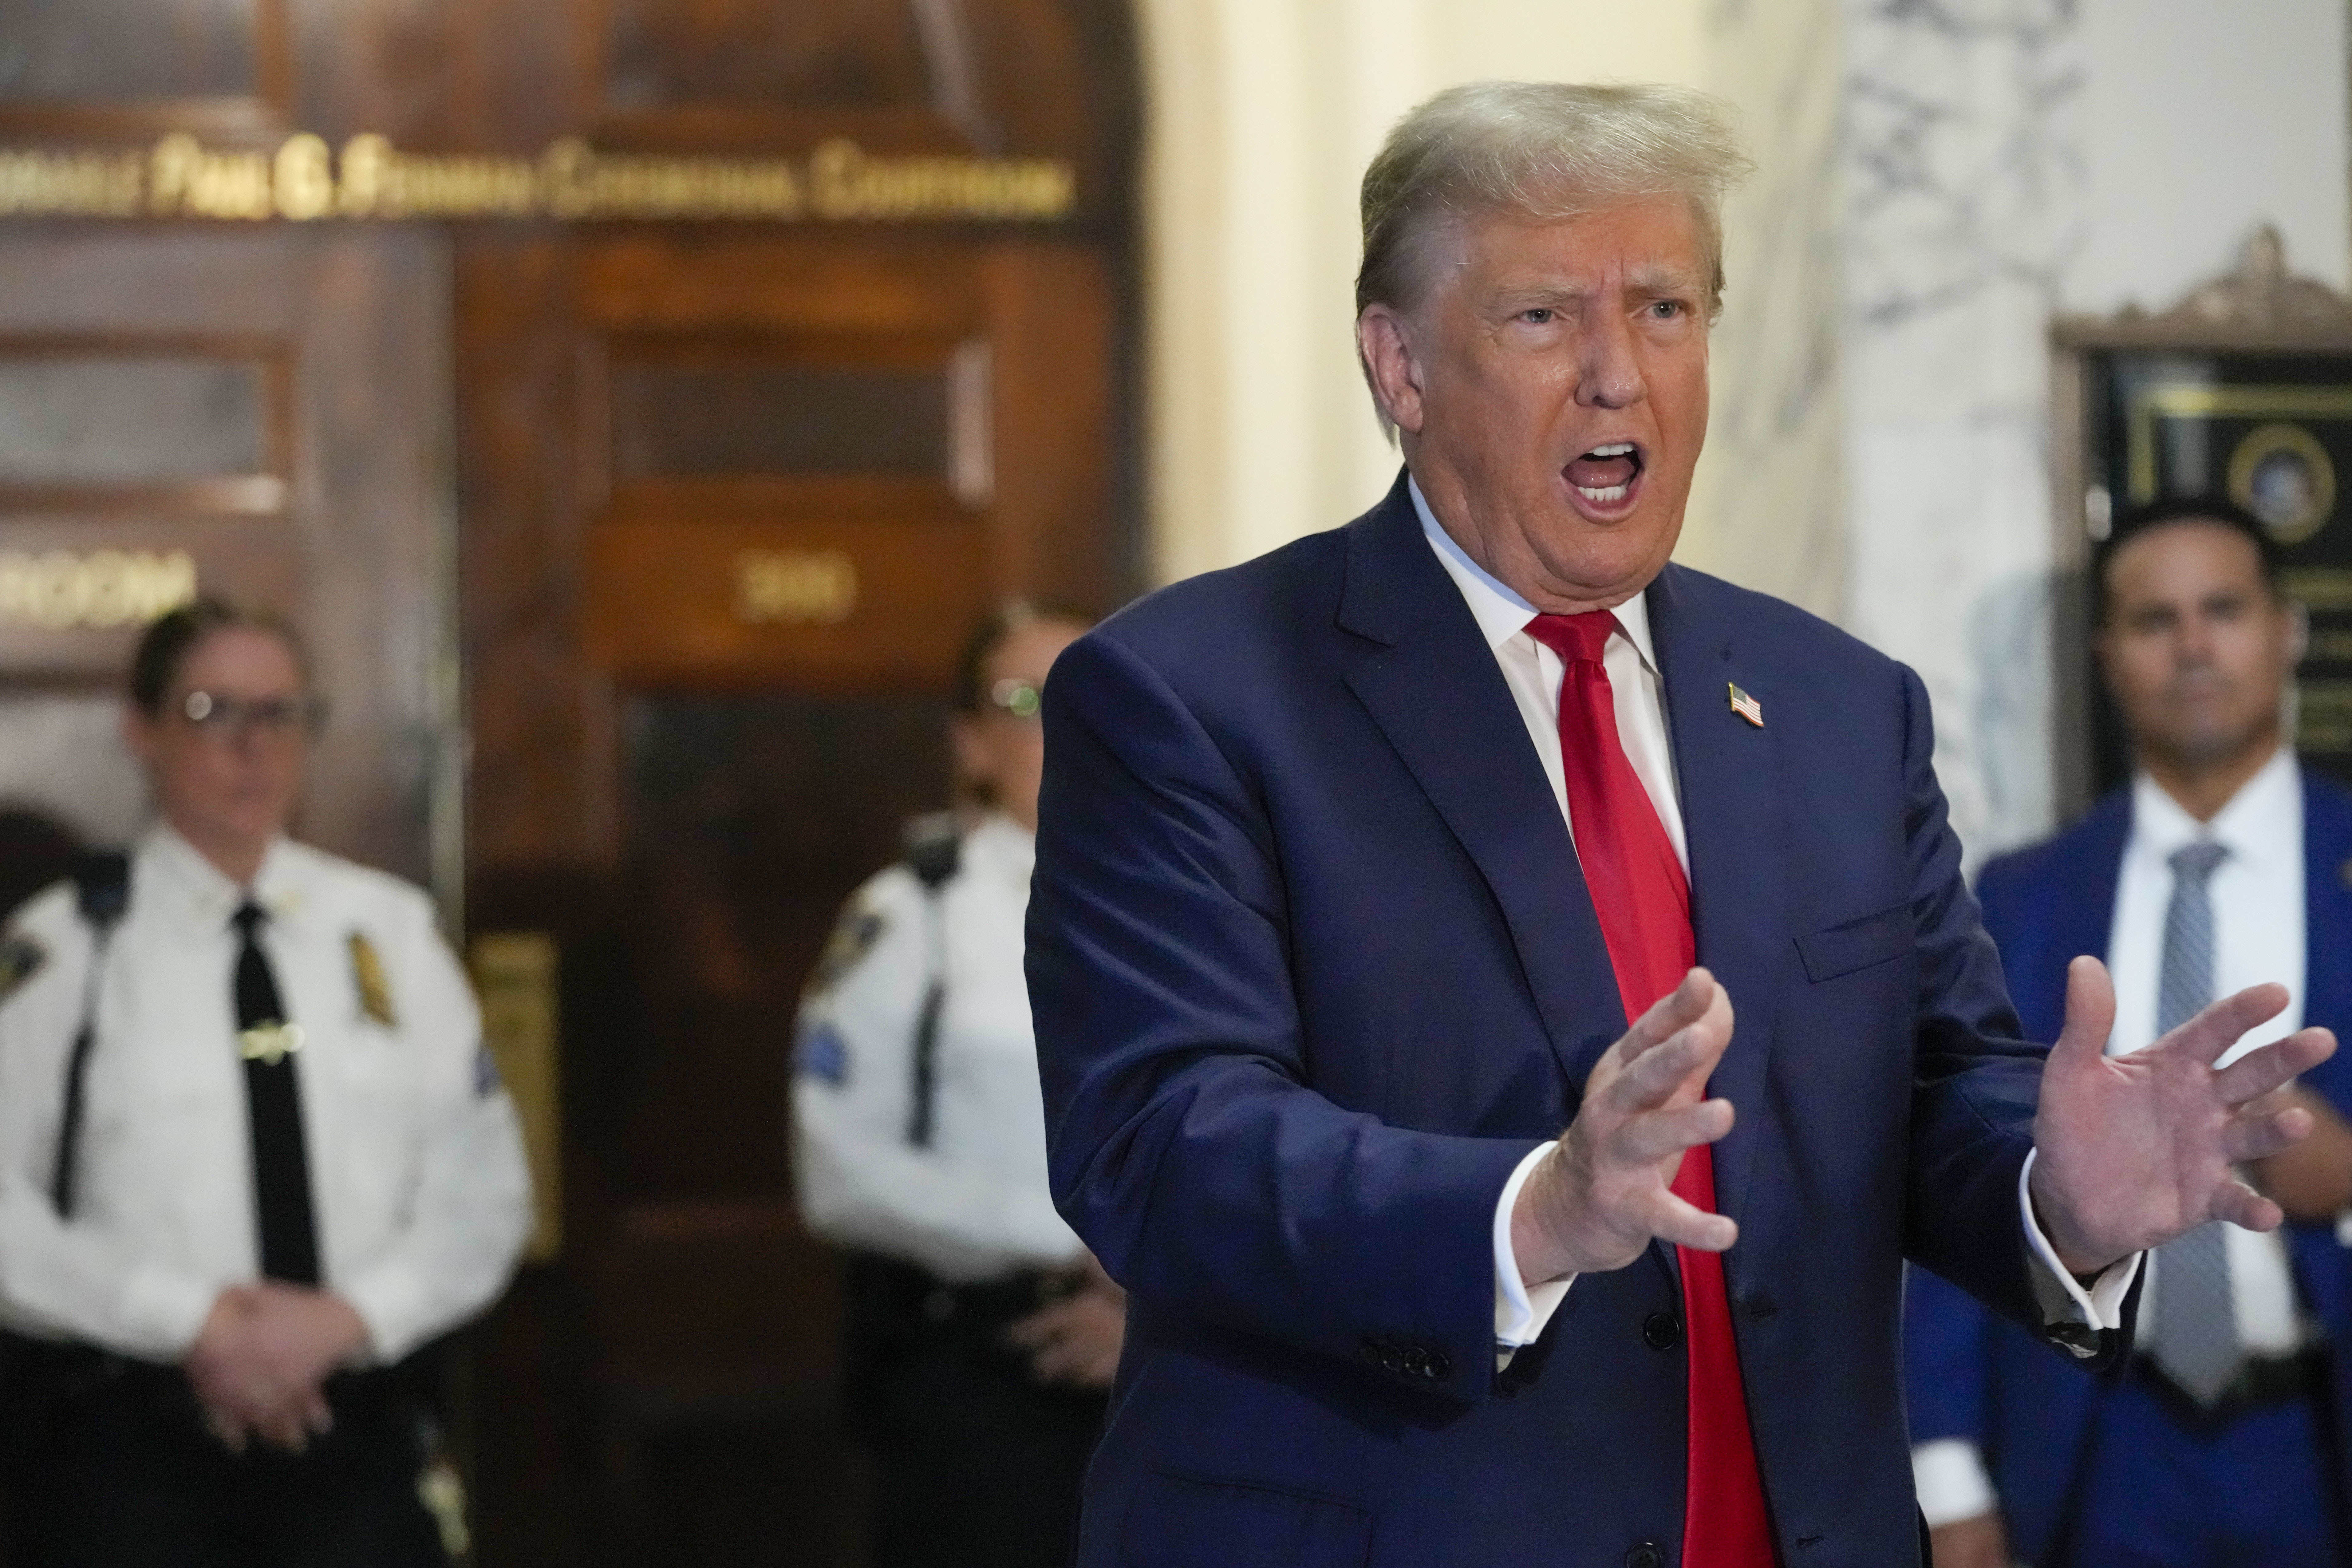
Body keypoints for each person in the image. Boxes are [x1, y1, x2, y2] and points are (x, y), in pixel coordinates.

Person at [1021, 82, 2335, 1568]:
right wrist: (1533, 1212)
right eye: (1540, 317)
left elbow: (1925, 1086)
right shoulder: (1190, 693)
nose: (1616, 377)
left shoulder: (1839, 706)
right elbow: (1158, 1139)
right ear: (1398, 363)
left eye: (1662, 310)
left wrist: (2052, 1193)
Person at [0, 599, 533, 1567]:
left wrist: (346, 1321)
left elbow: (484, 1191)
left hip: (355, 1435)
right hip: (132, 1454)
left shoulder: (389, 936)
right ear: (143, 731)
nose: (254, 748)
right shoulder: (64, 949)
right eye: (214, 713)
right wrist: (191, 1321)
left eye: (282, 714)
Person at [1906, 498, 2352, 1568]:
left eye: (2223, 610)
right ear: (2107, 657)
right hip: (2098, 1447)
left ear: (2286, 629)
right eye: (2155, 620)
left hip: (2316, 1442)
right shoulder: (2022, 898)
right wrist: (1948, 1480)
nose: (2192, 646)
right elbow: (1958, 1175)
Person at [793, 602, 1124, 1568]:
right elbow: (839, 1171)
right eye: (1024, 702)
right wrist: (1078, 1240)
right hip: (990, 1364)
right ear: (971, 743)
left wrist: (1149, 1304)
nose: (1063, 725)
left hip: (1180, 1354)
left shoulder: (1210, 897)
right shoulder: (914, 918)